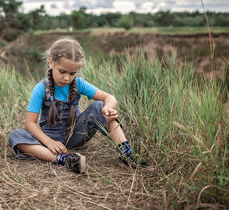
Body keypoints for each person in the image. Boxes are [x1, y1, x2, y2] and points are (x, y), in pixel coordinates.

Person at [8, 38, 146, 173]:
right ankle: (63, 159)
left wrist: (108, 108)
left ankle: (126, 154)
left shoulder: (79, 84)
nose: (67, 78)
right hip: (48, 139)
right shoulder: (41, 88)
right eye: (62, 72)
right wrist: (50, 142)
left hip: (76, 135)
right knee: (16, 136)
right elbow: (30, 123)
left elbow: (109, 98)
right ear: (51, 62)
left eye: (72, 73)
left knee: (98, 105)